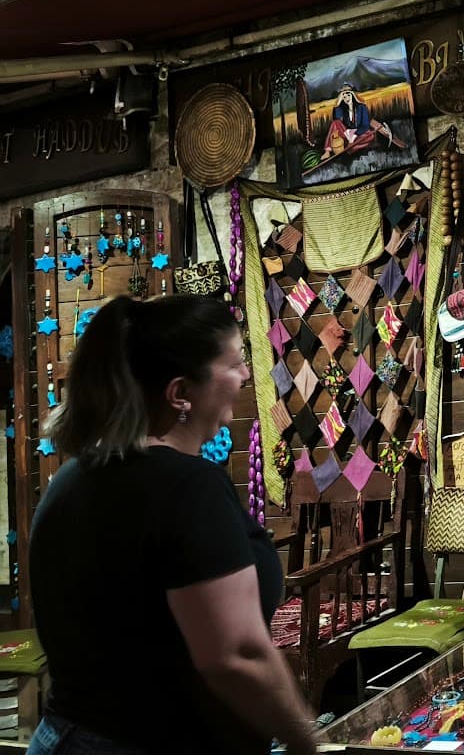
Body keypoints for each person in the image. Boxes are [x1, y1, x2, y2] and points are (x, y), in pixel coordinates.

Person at [27, 295, 316, 755]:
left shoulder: (73, 477)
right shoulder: (186, 486)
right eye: (235, 364)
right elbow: (235, 655)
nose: (245, 376)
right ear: (180, 393)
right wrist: (306, 742)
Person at [321, 83, 396, 160]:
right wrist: (338, 102)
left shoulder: (362, 107)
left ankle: (350, 148)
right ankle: (327, 151)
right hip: (346, 134)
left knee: (370, 136)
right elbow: (337, 120)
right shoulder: (342, 109)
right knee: (335, 123)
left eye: (348, 95)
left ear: (353, 95)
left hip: (359, 134)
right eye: (344, 97)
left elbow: (365, 125)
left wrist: (354, 135)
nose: (347, 98)